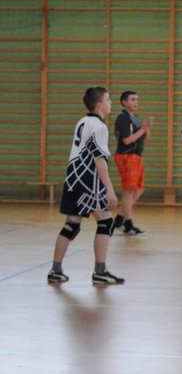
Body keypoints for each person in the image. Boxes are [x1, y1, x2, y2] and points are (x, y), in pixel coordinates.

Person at [47, 87, 124, 285]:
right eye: (108, 100)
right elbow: (99, 159)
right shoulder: (99, 127)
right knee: (106, 222)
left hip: (72, 179)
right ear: (99, 105)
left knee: (71, 225)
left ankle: (55, 270)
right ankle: (100, 272)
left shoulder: (82, 122)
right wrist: (109, 189)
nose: (110, 103)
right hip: (87, 180)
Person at [112, 90, 153, 235]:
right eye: (133, 99)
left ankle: (119, 219)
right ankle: (128, 224)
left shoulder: (134, 117)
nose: (136, 102)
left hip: (136, 157)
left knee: (139, 189)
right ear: (124, 102)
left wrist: (146, 128)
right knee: (129, 190)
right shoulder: (123, 118)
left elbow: (143, 137)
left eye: (137, 99)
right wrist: (143, 129)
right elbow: (127, 140)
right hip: (126, 156)